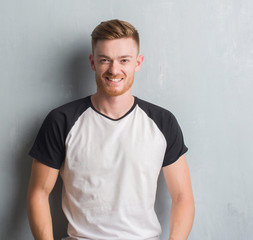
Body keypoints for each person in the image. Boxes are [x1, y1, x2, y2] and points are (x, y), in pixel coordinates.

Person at [26, 19, 194, 240]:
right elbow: (38, 193)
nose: (114, 70)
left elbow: (182, 196)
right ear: (93, 62)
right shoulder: (62, 120)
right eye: (105, 60)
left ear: (138, 62)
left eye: (124, 60)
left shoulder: (162, 122)